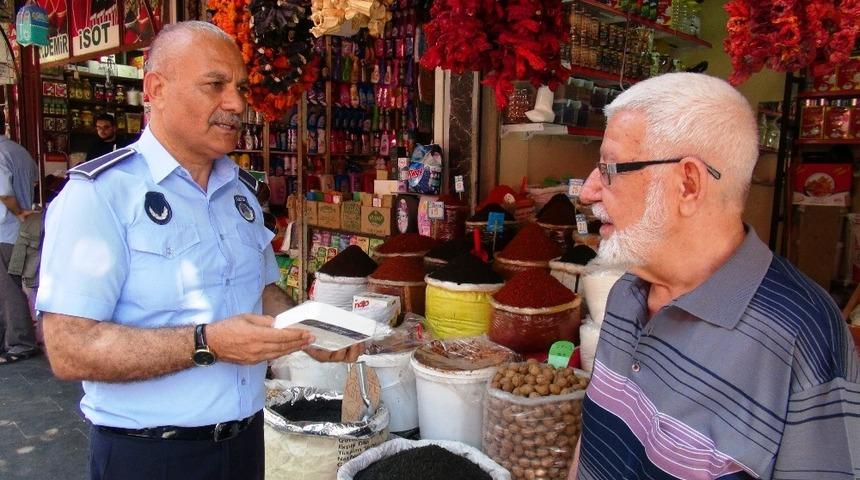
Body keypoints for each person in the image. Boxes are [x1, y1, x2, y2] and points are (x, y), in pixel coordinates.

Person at [36, 21, 361, 480]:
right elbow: (70, 349)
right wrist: (207, 343)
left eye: (241, 89)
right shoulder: (101, 195)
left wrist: (311, 331)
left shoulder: (241, 193)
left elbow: (262, 291)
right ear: (156, 89)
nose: (236, 104)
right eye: (215, 85)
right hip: (152, 455)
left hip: (246, 443)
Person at [568, 73, 859, 479]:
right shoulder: (626, 292)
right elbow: (597, 436)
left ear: (688, 183)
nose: (588, 192)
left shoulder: (804, 336)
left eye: (609, 169)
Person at [0, 110, 39, 364]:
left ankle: (20, 343)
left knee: (8, 290)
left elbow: (4, 192)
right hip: (19, 232)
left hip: (6, 228)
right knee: (11, 287)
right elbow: (34, 179)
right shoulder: (19, 151)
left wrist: (18, 211)